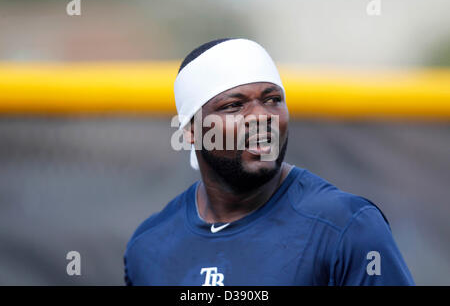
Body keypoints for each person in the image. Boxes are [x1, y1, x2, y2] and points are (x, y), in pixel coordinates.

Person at [123, 38, 415, 285]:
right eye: (234, 106)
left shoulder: (346, 227)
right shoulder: (149, 245)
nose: (262, 117)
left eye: (273, 99)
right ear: (191, 131)